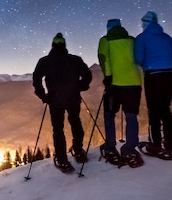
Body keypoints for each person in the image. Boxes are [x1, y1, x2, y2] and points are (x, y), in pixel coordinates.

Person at [33, 32, 92, 172]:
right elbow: (87, 74)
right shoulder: (75, 60)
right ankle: (78, 150)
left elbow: (36, 80)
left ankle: (62, 159)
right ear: (64, 45)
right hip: (73, 97)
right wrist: (82, 86)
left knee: (58, 129)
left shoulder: (45, 61)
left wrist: (43, 96)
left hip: (55, 100)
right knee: (76, 122)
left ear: (52, 45)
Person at [134, 11, 172, 156]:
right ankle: (171, 142)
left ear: (145, 23)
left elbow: (138, 59)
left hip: (153, 75)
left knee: (153, 110)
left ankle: (156, 143)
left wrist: (147, 63)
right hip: (170, 75)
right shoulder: (167, 38)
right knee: (165, 108)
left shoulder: (142, 38)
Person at [97, 19, 143, 167]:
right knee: (131, 116)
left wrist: (108, 77)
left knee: (109, 114)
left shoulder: (105, 40)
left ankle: (110, 146)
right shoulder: (132, 40)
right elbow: (140, 58)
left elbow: (104, 59)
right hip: (134, 84)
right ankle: (130, 148)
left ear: (108, 28)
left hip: (115, 85)